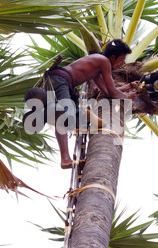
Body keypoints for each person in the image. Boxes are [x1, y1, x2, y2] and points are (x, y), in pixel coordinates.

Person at [44, 39, 133, 169]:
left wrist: (127, 87)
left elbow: (108, 92)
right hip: (60, 79)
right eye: (121, 60)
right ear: (113, 57)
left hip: (58, 81)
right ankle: (86, 115)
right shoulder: (104, 62)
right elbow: (113, 92)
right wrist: (128, 97)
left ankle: (65, 159)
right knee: (65, 115)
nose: (122, 64)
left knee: (61, 117)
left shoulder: (97, 65)